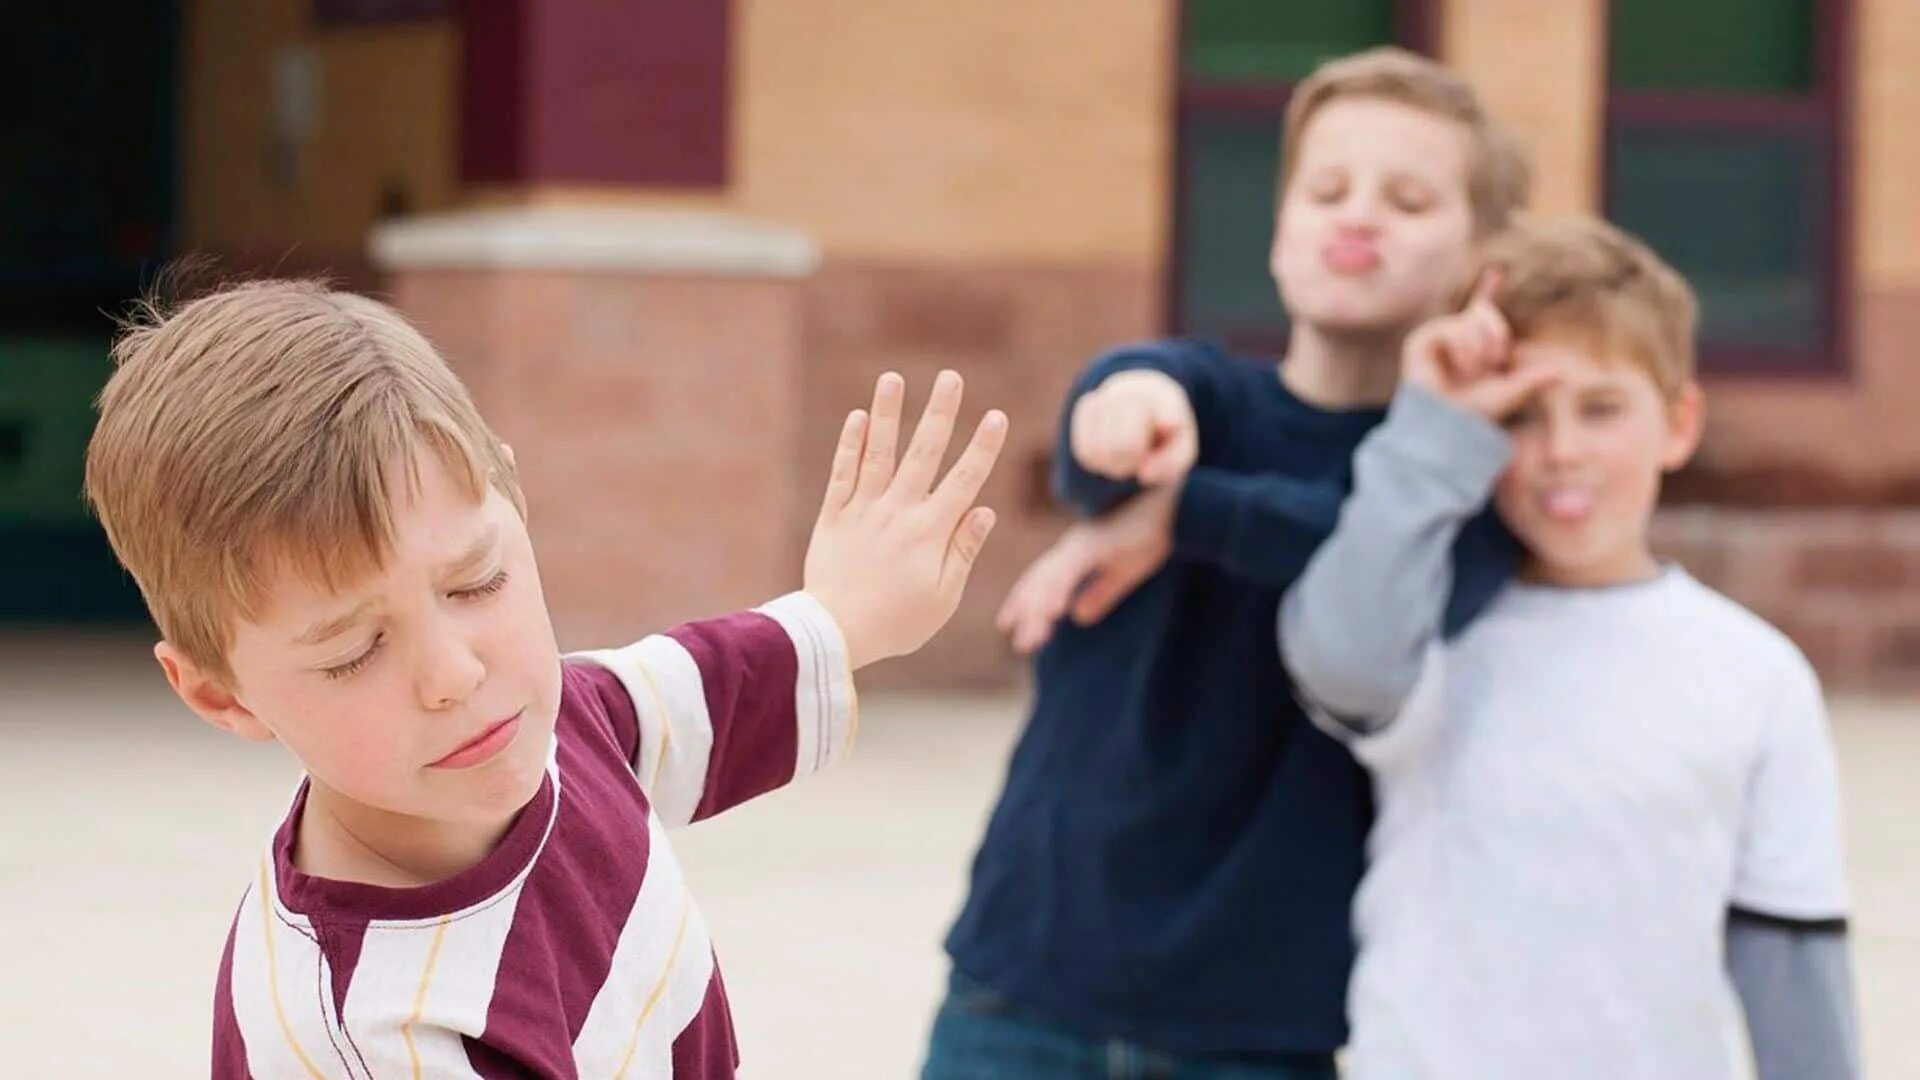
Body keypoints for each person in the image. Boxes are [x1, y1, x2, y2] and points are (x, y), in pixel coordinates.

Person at [82, 279, 1007, 1077]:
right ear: (219, 692)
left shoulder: (557, 725)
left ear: (515, 500)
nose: (455, 673)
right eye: (353, 652)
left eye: (475, 581)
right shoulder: (368, 1032)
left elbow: (712, 689)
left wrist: (847, 614)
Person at [928, 47, 1528, 1077]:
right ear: (1282, 227)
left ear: (1484, 258)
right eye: (1325, 188)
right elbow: (1111, 419)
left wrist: (1182, 516)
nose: (1358, 216)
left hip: (1261, 1034)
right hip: (1022, 988)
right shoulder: (1198, 395)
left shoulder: (1451, 486)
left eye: (1410, 199)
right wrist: (1128, 425)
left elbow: (1385, 557)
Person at [1281, 216, 1858, 1079]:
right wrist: (1431, 427)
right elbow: (1341, 663)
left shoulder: (1755, 674)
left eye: (1601, 409)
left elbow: (1793, 962)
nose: (1562, 453)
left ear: (1678, 423)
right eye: (1520, 417)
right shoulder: (1425, 629)